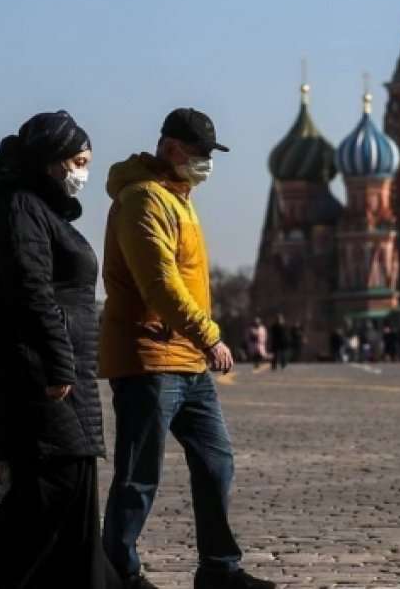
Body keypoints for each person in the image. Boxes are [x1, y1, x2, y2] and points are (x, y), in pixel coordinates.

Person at [0, 111, 120, 588]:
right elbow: (30, 290)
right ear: (52, 161)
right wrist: (59, 362)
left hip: (62, 366)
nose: (83, 172)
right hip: (36, 368)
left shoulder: (39, 208)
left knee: (75, 478)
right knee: (56, 483)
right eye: (79, 161)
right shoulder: (19, 207)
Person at [99, 108, 274, 589]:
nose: (205, 164)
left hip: (186, 362)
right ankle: (118, 573)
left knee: (217, 462)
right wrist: (209, 334)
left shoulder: (179, 198)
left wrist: (197, 343)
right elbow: (160, 283)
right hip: (150, 358)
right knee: (139, 475)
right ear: (172, 149)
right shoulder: (142, 200)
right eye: (199, 154)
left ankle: (219, 568)